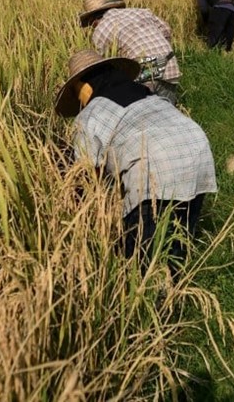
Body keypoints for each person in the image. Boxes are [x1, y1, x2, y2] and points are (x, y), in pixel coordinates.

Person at [55, 49, 218, 274]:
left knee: (142, 262)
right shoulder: (147, 93)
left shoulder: (90, 114)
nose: (78, 100)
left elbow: (85, 175)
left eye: (75, 91)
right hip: (196, 150)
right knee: (178, 244)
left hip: (155, 166)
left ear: (85, 85)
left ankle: (154, 301)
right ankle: (175, 289)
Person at [79, 0, 181, 105]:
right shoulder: (141, 12)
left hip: (144, 69)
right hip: (169, 63)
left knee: (144, 115)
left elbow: (109, 66)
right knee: (167, 112)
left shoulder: (100, 30)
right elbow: (166, 30)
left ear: (92, 20)